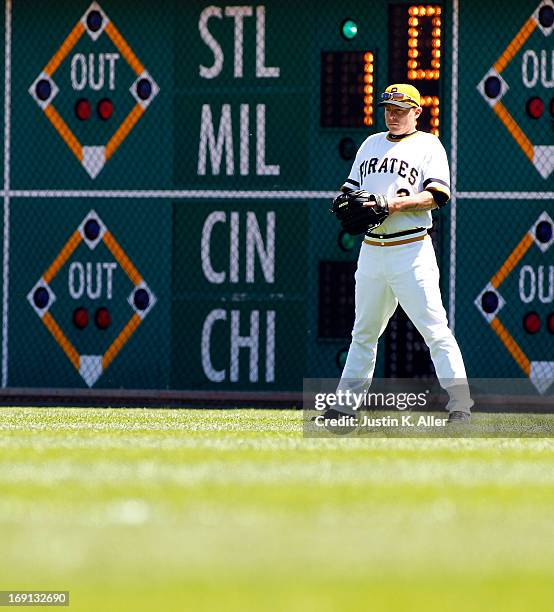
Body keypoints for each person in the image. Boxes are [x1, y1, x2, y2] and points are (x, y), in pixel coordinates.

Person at [327, 83, 473, 424]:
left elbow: (437, 195)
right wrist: (342, 204)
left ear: (417, 112)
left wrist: (390, 203)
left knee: (435, 330)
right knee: (363, 333)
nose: (393, 114)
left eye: (400, 109)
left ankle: (461, 405)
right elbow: (349, 190)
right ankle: (344, 407)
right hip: (372, 250)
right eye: (389, 109)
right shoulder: (370, 144)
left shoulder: (428, 145)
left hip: (411, 249)